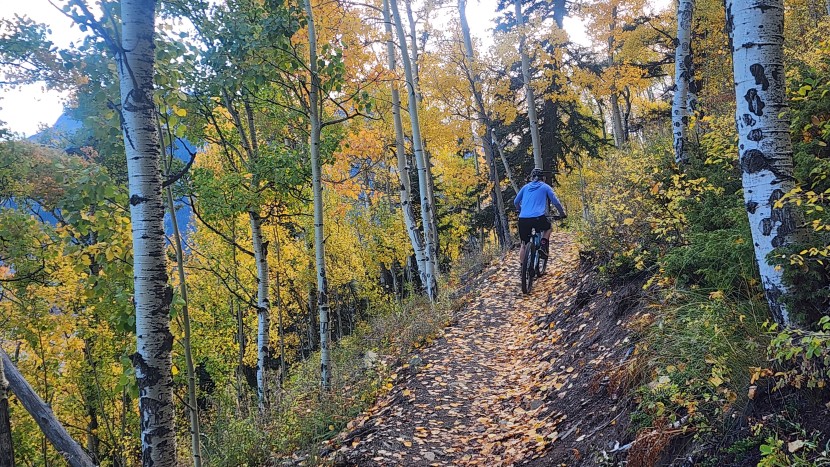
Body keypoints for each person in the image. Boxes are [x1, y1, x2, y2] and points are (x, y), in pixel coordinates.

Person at [514, 168, 566, 267]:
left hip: (523, 219)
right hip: (538, 217)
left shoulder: (525, 187)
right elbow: (555, 202)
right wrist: (562, 213)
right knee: (548, 228)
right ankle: (543, 243)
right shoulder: (545, 187)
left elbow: (516, 202)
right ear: (543, 178)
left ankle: (523, 268)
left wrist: (520, 210)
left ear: (531, 178)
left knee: (524, 244)